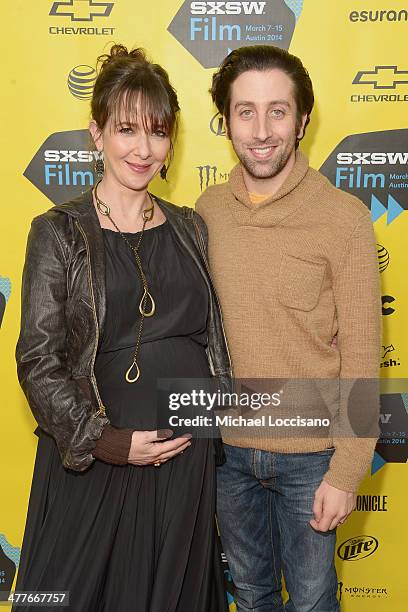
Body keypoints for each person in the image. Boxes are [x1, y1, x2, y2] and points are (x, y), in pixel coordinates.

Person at [14, 44, 231, 612]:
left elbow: (211, 340)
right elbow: (38, 359)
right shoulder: (57, 232)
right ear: (97, 133)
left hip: (185, 465)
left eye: (157, 133)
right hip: (99, 464)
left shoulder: (191, 228)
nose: (142, 149)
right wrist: (104, 442)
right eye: (126, 129)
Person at [196, 45, 381, 611]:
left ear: (302, 120)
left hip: (312, 458)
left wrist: (347, 472)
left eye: (278, 110)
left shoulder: (344, 218)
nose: (261, 130)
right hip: (226, 456)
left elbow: (363, 353)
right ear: (225, 121)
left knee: (311, 601)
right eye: (245, 111)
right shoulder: (205, 212)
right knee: (250, 597)